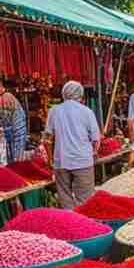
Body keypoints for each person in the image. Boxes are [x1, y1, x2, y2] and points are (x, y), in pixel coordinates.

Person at [44, 81, 100, 209]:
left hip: (61, 161)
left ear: (64, 94)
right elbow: (96, 140)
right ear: (80, 95)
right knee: (85, 200)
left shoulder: (54, 111)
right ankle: (86, 226)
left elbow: (47, 139)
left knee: (65, 199)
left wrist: (50, 159)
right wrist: (94, 152)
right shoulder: (87, 112)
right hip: (83, 162)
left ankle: (71, 225)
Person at [0, 80, 27, 163]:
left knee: (11, 151)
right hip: (19, 128)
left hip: (11, 129)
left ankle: (14, 167)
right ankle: (17, 167)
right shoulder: (10, 96)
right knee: (17, 152)